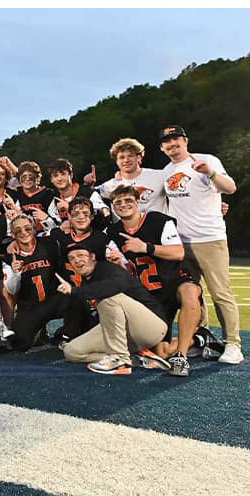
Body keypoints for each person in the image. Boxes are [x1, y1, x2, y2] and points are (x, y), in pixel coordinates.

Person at [155, 125, 240, 364]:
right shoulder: (166, 171)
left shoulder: (206, 160)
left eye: (176, 139)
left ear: (185, 140)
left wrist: (210, 173)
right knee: (192, 295)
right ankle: (198, 338)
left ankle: (233, 343)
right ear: (162, 147)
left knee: (220, 292)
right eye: (167, 142)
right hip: (181, 242)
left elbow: (231, 188)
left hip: (210, 238)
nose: (172, 144)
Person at [100, 185, 197, 375]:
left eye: (128, 200)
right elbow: (129, 269)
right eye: (118, 202)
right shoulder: (111, 232)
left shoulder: (157, 220)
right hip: (150, 294)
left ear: (138, 202)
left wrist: (146, 247)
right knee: (161, 352)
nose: (123, 204)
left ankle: (182, 357)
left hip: (173, 281)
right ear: (113, 207)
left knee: (190, 292)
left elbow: (178, 253)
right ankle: (199, 339)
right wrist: (120, 264)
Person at [61, 244, 169, 375]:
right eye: (72, 258)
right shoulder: (86, 282)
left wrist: (74, 290)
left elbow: (115, 286)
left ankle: (120, 360)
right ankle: (135, 359)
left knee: (107, 298)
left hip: (152, 325)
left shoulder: (107, 268)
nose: (77, 260)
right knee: (72, 351)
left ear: (93, 257)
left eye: (80, 255)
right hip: (124, 333)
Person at [2, 214, 72, 352]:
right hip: (30, 306)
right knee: (19, 343)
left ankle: (69, 332)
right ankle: (38, 331)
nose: (23, 233)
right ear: (12, 234)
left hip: (54, 299)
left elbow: (60, 232)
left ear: (34, 230)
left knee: (75, 298)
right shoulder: (9, 256)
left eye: (27, 229)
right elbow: (11, 290)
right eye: (18, 231)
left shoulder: (49, 243)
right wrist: (16, 273)